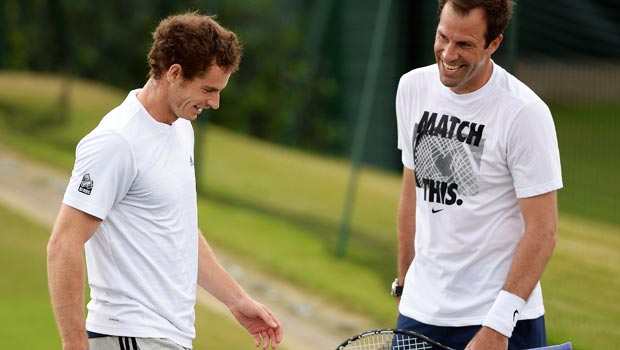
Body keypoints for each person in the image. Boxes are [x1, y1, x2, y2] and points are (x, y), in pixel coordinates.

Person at [47, 12, 283, 350]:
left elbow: (178, 230)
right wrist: (75, 345)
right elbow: (62, 246)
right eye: (208, 89)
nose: (215, 102)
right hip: (130, 335)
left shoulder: (181, 129)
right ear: (174, 73)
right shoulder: (117, 141)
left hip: (168, 338)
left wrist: (236, 300)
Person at [393, 0, 562, 349]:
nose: (449, 53)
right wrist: (405, 283)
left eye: (465, 44)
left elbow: (543, 230)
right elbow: (412, 191)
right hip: (420, 315)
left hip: (497, 321)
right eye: (443, 37)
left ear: (494, 43)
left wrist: (498, 326)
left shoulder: (525, 114)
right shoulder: (412, 87)